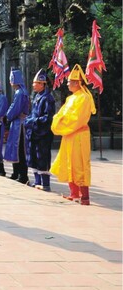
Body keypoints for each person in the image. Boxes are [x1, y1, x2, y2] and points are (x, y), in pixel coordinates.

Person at [50, 64, 94, 205]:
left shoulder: (84, 98)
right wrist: (58, 121)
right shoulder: (71, 98)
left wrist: (60, 122)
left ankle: (85, 197)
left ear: (77, 83)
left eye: (69, 82)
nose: (67, 84)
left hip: (79, 135)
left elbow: (76, 118)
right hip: (69, 134)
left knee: (79, 164)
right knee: (68, 163)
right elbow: (62, 114)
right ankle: (74, 193)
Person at [25, 69, 56, 191]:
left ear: (43, 84)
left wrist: (33, 121)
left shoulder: (48, 98)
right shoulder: (37, 96)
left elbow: (47, 117)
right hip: (34, 131)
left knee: (42, 157)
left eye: (36, 83)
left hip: (43, 133)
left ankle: (46, 184)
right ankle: (37, 182)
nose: (33, 85)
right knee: (33, 156)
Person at [4, 69, 31, 183]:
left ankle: (22, 175)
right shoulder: (21, 91)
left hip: (19, 124)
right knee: (16, 149)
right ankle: (16, 173)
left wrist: (7, 115)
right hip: (17, 122)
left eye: (11, 79)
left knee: (19, 149)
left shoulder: (20, 92)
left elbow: (15, 108)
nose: (10, 81)